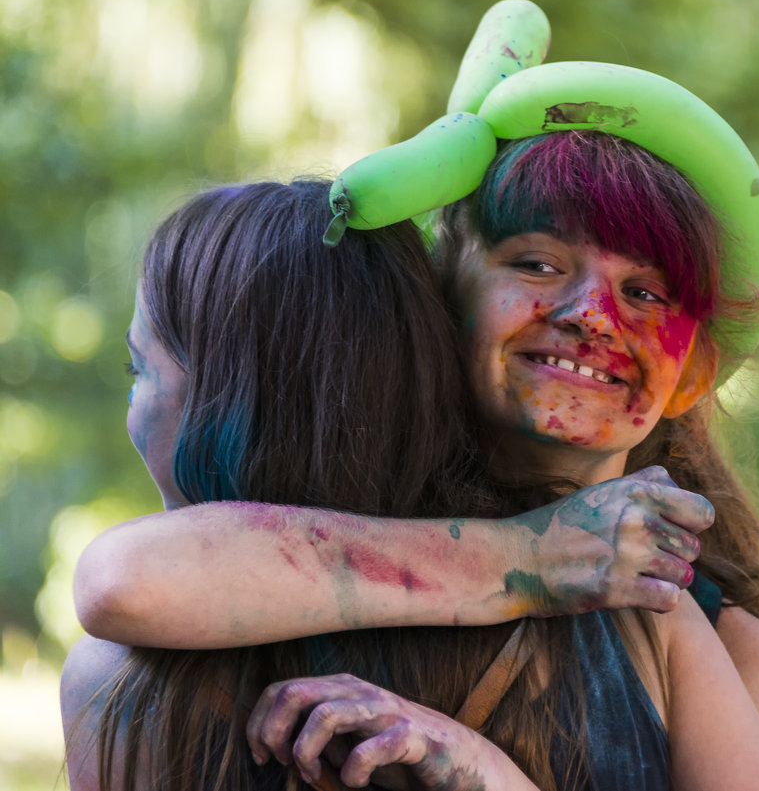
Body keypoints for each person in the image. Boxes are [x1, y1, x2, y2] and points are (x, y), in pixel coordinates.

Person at [60, 176, 720, 791]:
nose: (590, 317)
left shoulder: (118, 681)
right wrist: (525, 556)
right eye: (538, 265)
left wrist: (481, 767)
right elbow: (123, 579)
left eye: (136, 369)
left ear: (233, 405)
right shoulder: (622, 608)